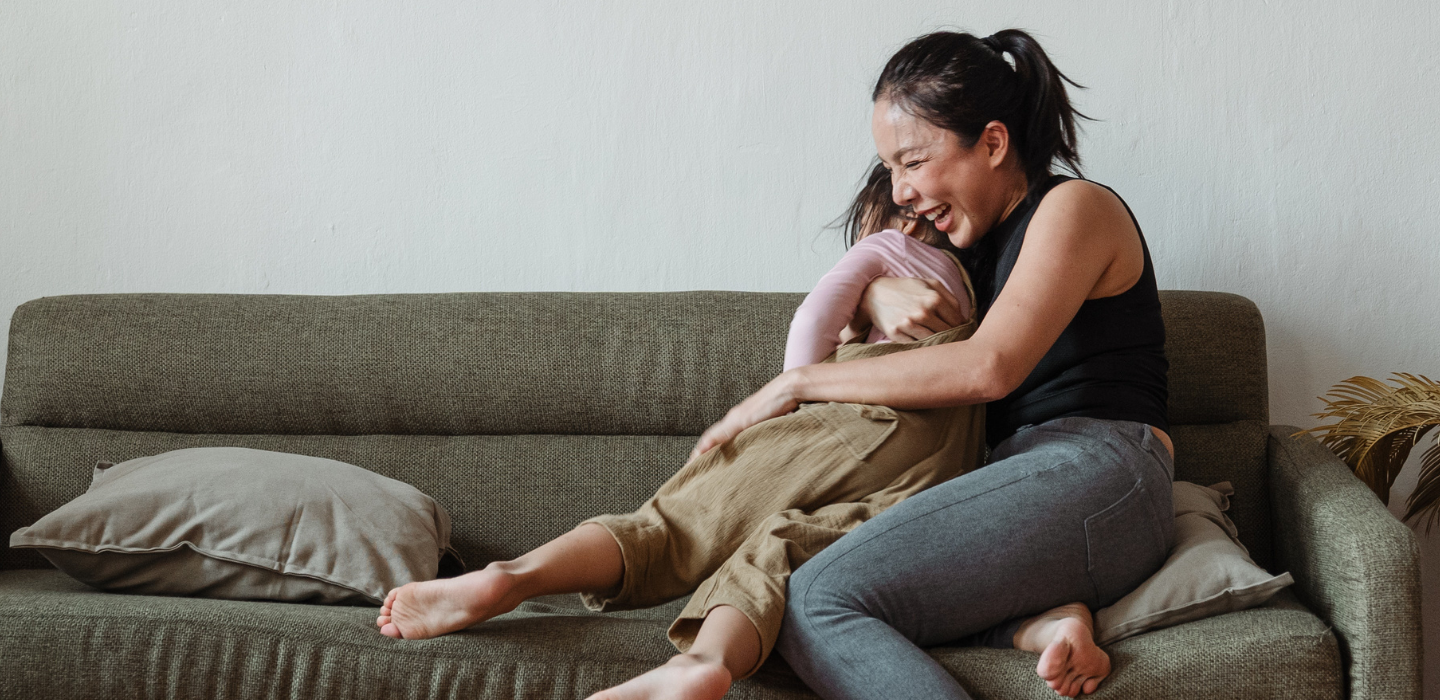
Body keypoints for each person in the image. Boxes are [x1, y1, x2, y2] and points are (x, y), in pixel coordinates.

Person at [373, 167, 1111, 700]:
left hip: (860, 425)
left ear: (889, 219)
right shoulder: (985, 282)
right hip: (936, 470)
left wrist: (798, 388)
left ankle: (513, 578)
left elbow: (813, 318)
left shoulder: (884, 251)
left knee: (673, 524)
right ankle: (705, 664)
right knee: (785, 548)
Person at [694, 29, 1180, 700]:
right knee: (793, 587)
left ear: (992, 142)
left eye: (913, 162)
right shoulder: (965, 257)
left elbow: (990, 367)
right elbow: (879, 340)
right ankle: (1049, 621)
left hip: (1103, 470)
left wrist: (795, 383)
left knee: (816, 601)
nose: (900, 191)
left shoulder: (1076, 208)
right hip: (1014, 487)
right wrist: (870, 283)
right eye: (889, 169)